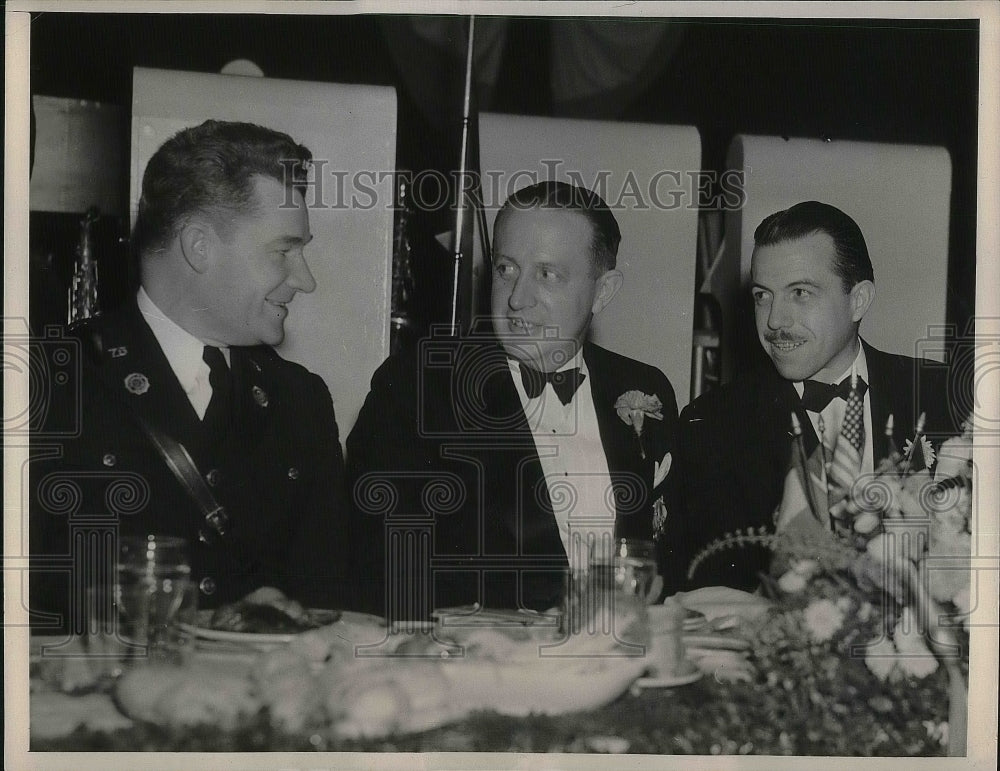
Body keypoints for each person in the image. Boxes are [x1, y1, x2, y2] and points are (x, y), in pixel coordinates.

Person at [30, 120, 354, 631]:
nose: (304, 279)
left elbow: (330, 608)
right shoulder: (50, 387)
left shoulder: (301, 403)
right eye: (284, 250)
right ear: (199, 246)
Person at [347, 181, 677, 619]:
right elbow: (381, 570)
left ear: (603, 291)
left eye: (548, 274)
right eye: (506, 269)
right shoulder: (420, 387)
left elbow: (666, 555)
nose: (517, 300)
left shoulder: (642, 386)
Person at [661, 201, 958, 595]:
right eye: (763, 295)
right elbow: (710, 585)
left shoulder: (947, 397)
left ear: (858, 300)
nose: (774, 321)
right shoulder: (713, 425)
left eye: (800, 292)